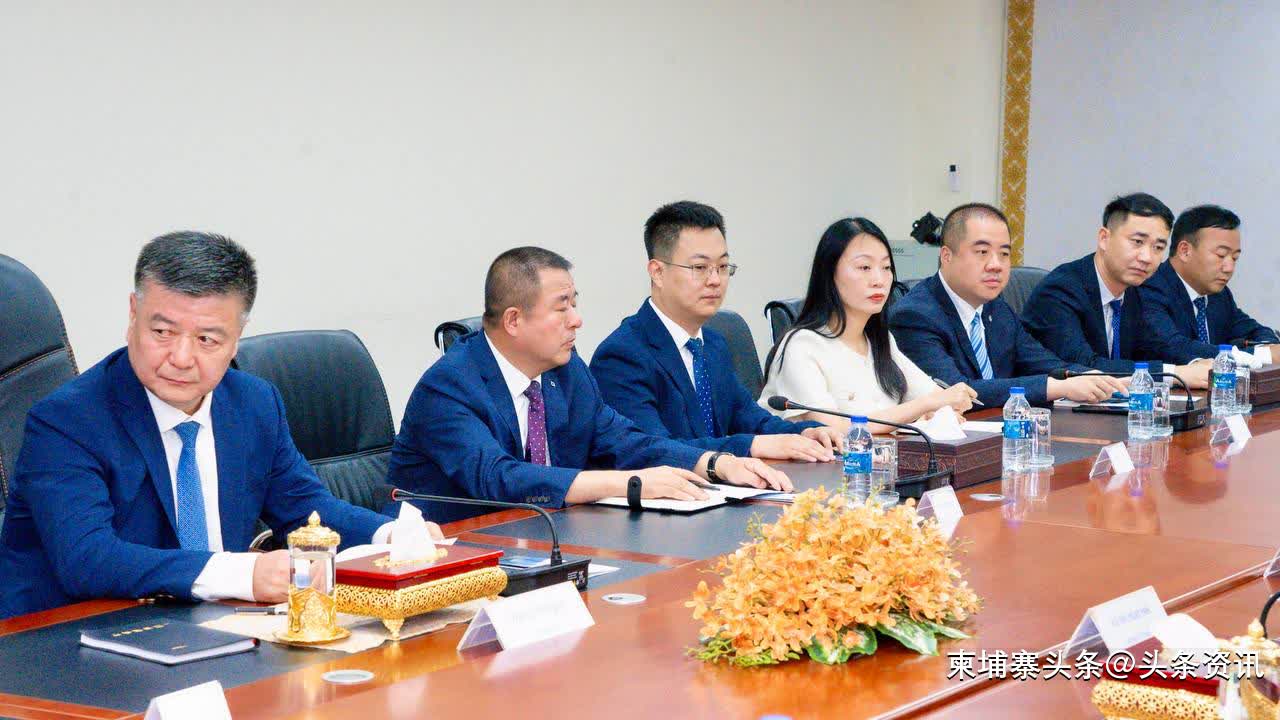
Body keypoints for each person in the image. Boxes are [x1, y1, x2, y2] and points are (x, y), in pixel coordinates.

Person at [0, 232, 431, 619]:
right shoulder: (67, 421)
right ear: (133, 314)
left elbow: (306, 509)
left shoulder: (253, 403)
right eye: (162, 332)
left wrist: (392, 536)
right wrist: (243, 574)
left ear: (237, 336)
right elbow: (88, 559)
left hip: (211, 630)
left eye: (207, 339)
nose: (181, 358)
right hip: (72, 640)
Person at [388, 246, 791, 523]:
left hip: (549, 537)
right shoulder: (449, 387)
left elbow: (622, 439)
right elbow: (499, 478)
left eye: (575, 304)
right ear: (513, 320)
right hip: (453, 551)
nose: (577, 320)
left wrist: (714, 463)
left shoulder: (565, 370)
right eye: (561, 307)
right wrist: (632, 484)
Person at [590, 201, 840, 461]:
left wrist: (805, 432)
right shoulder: (622, 356)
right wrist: (751, 446)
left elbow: (751, 420)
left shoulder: (713, 344)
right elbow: (654, 450)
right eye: (700, 268)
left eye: (722, 267)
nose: (715, 280)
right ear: (658, 272)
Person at [889, 203, 1127, 407]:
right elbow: (956, 393)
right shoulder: (914, 315)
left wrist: (1099, 378)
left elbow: (1044, 363)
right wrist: (1057, 387)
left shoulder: (997, 309)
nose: (996, 264)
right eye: (982, 252)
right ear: (946, 256)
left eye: (1004, 254)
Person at [758, 216, 975, 432]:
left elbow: (936, 397)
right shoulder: (802, 346)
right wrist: (924, 406)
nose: (879, 280)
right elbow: (833, 428)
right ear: (829, 274)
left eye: (886, 267)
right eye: (864, 267)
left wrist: (938, 408)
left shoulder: (880, 340)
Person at [1022, 193, 1210, 387]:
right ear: (1104, 238)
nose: (1147, 257)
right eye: (1137, 242)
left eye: (1158, 247)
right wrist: (1174, 373)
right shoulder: (1061, 290)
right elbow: (1085, 367)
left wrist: (1198, 365)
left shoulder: (1138, 290)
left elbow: (1161, 344)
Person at [1138, 204, 1278, 365]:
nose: (1229, 268)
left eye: (1235, 258)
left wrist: (1268, 347)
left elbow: (1254, 331)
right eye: (1221, 255)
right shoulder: (1151, 287)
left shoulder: (1219, 295)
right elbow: (1173, 346)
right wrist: (1262, 356)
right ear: (1185, 251)